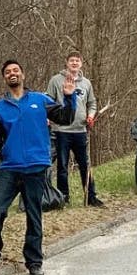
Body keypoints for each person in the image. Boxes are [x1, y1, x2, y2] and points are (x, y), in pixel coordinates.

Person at [0, 60, 78, 275]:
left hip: (36, 166)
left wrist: (70, 97)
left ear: (23, 75)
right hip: (9, 167)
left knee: (34, 214)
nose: (12, 74)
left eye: (15, 70)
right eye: (7, 72)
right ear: (4, 79)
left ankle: (34, 261)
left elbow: (65, 118)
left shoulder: (40, 100)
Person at [45, 50, 103, 206]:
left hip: (80, 130)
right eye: (72, 60)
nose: (74, 63)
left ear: (81, 63)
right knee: (62, 166)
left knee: (85, 164)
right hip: (61, 130)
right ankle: (64, 197)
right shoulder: (56, 81)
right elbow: (48, 102)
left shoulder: (86, 83)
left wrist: (91, 115)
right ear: (66, 62)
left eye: (77, 60)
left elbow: (92, 103)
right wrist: (47, 118)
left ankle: (90, 196)